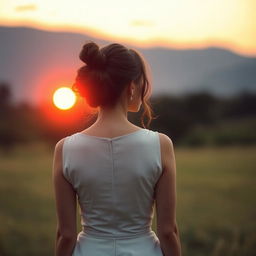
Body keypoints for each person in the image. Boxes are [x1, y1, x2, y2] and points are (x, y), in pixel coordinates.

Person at [52, 40, 182, 256]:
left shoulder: (65, 148)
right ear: (131, 86)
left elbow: (65, 235)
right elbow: (168, 231)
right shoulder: (160, 144)